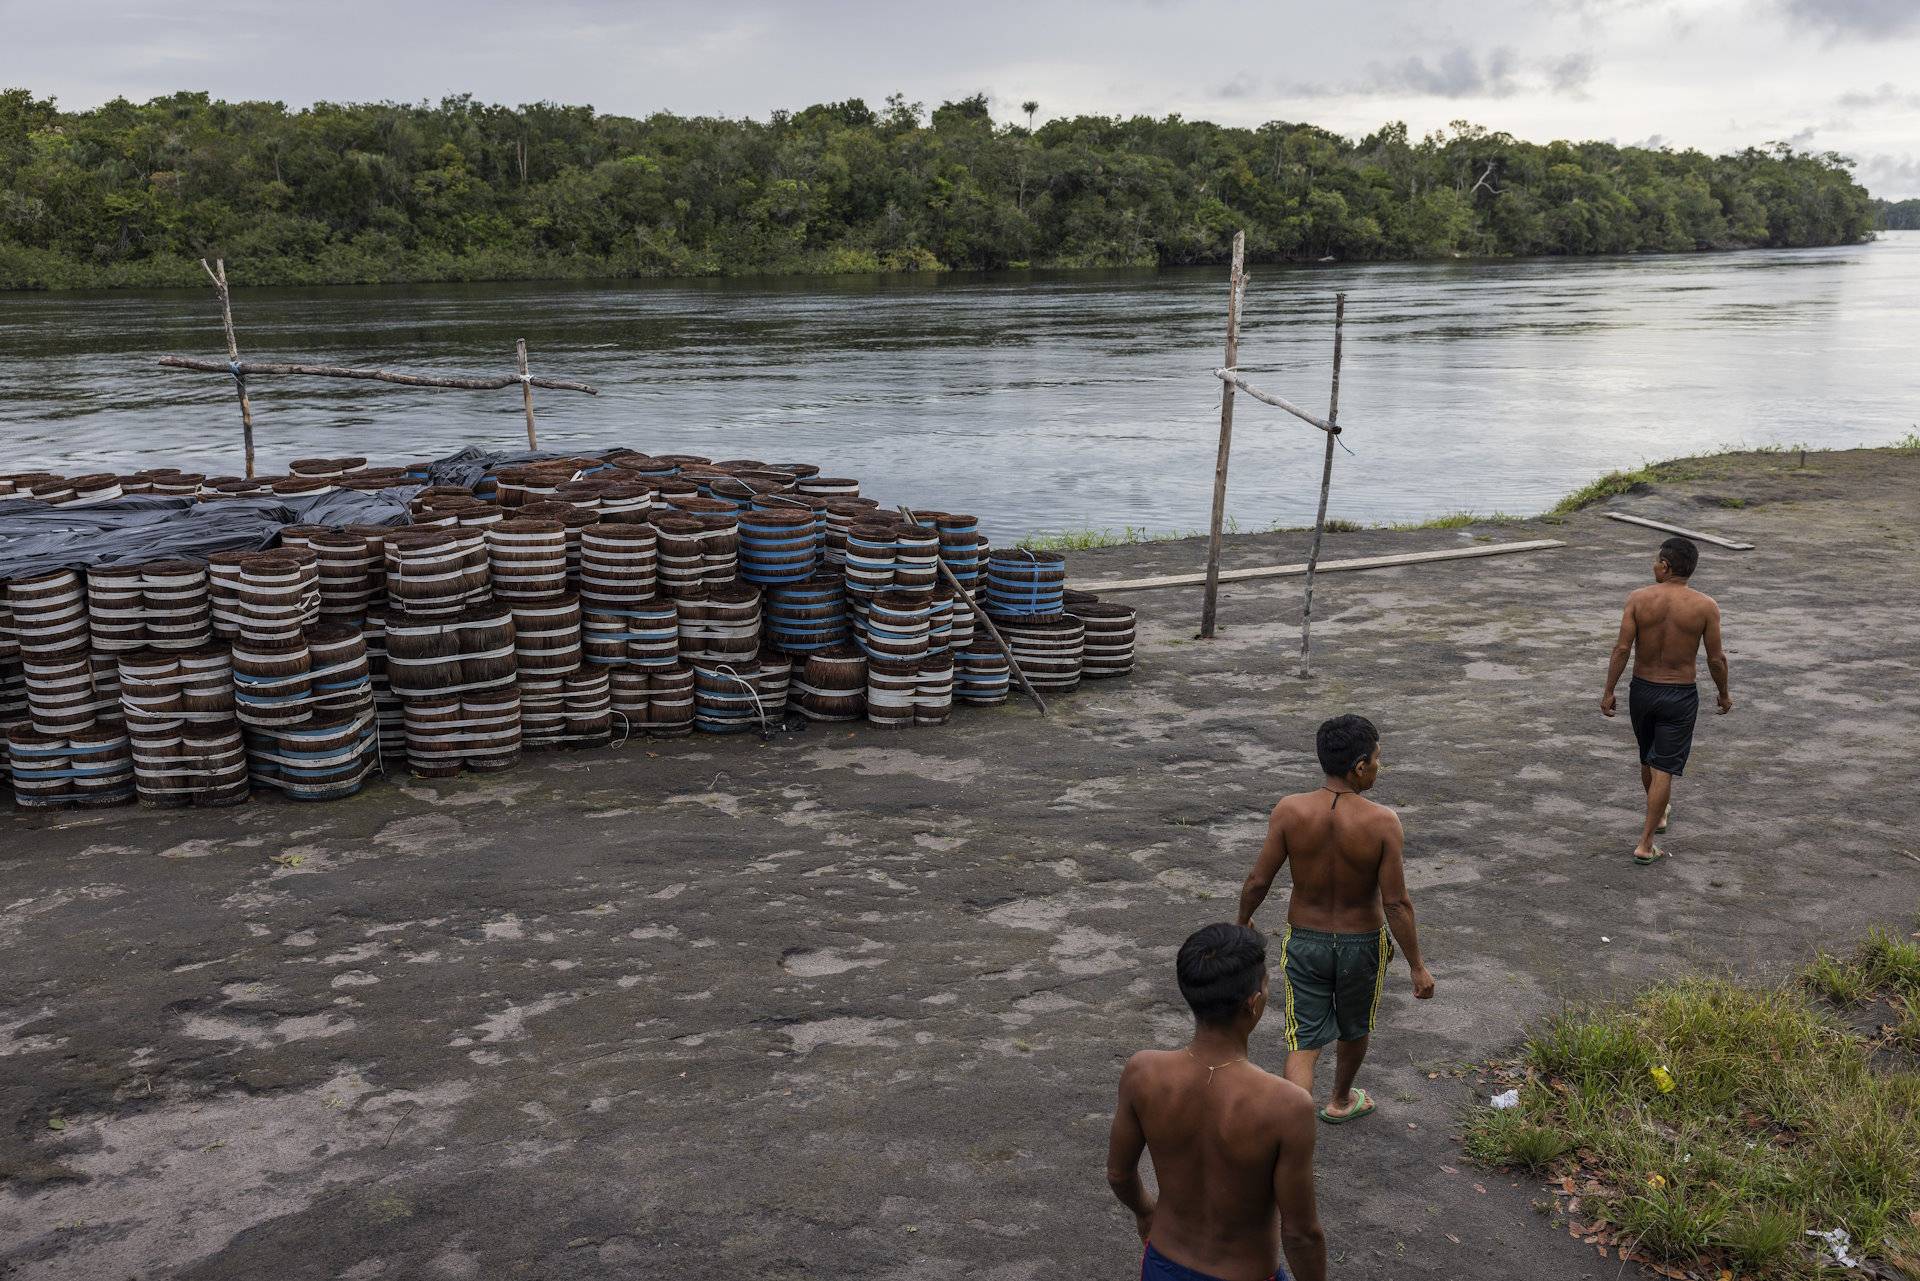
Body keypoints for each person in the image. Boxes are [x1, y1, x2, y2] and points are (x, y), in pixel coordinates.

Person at [1235, 714, 1435, 1126]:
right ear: (1359, 766)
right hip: (1361, 944)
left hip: (1305, 941)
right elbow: (1396, 903)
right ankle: (1340, 1101)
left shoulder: (1289, 810)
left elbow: (1258, 880)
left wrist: (1243, 921)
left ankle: (1290, 1127)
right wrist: (1417, 966)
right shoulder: (1382, 822)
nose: (1379, 767)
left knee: (1304, 1037)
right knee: (1354, 1026)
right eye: (1377, 760)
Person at [1107, 923, 1325, 1281]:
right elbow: (1301, 1234)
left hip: (1164, 1263)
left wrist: (1146, 1212)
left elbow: (1119, 1174)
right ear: (1253, 1003)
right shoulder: (1286, 1106)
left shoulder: (1142, 1072)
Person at [1599, 535, 1733, 865]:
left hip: (1642, 690)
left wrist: (1608, 690)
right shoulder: (1705, 606)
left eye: (1656, 560)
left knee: (1648, 759)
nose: (1653, 565)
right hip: (1679, 694)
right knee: (1663, 767)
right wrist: (1723, 693)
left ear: (1666, 565)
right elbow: (1716, 659)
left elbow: (1621, 649)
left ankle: (1659, 816)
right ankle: (1646, 844)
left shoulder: (1638, 599)